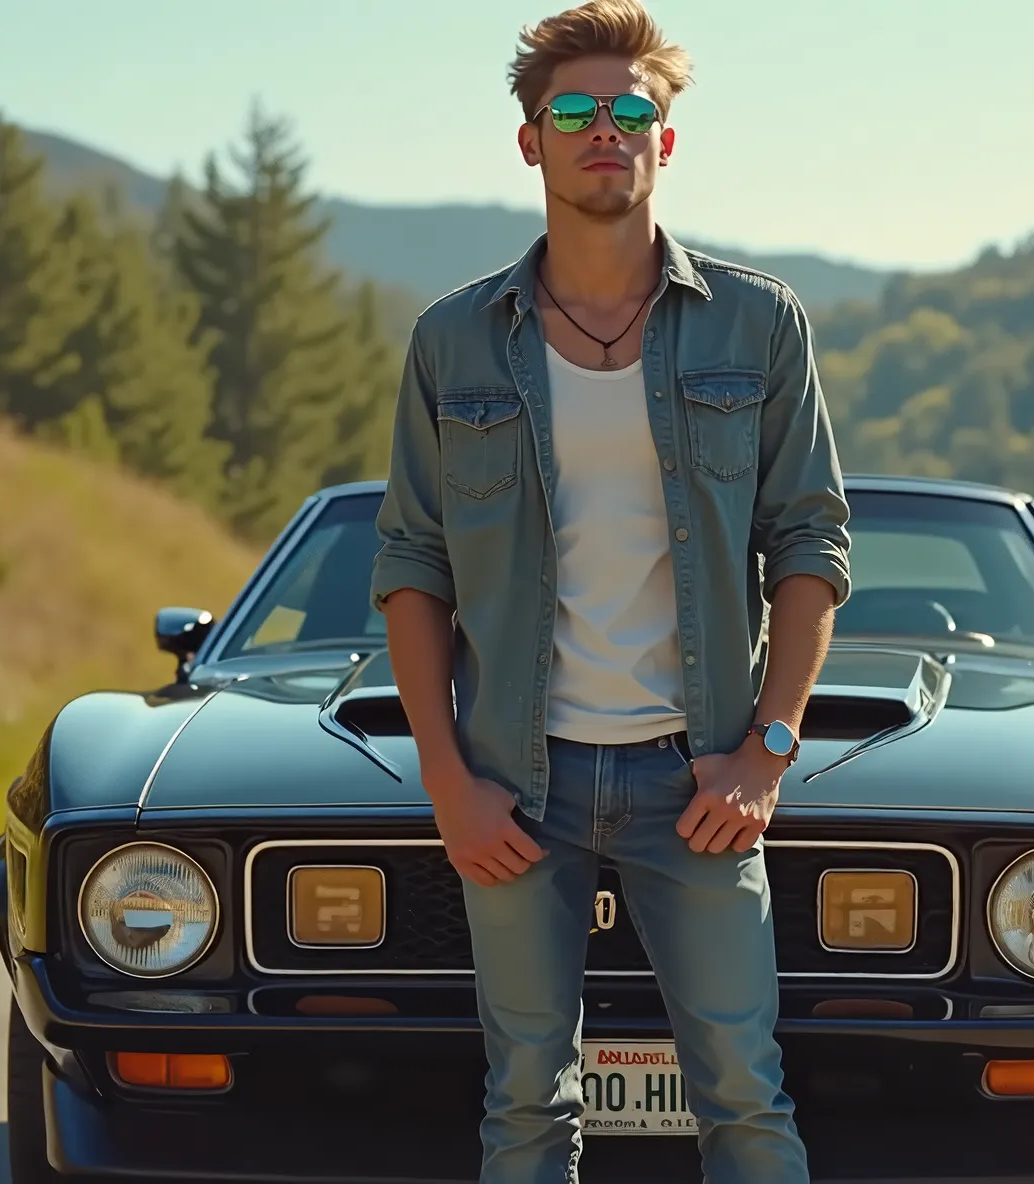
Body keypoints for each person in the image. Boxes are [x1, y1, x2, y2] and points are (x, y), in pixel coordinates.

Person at [370, 1, 849, 1179]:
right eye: (573, 110)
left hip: (695, 775)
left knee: (743, 1092)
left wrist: (766, 752)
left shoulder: (756, 322)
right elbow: (412, 560)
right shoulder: (454, 340)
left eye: (629, 108)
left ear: (664, 141)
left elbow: (811, 542)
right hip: (511, 782)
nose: (604, 129)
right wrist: (446, 780)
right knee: (525, 1099)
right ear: (529, 141)